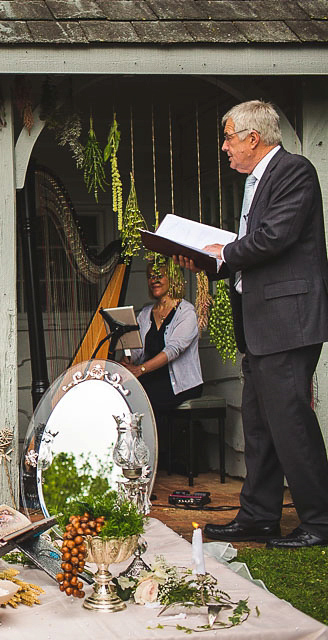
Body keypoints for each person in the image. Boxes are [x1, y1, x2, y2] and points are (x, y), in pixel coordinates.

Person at [177, 100, 328, 549]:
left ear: (252, 138)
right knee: (261, 427)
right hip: (262, 323)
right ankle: (260, 516)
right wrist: (208, 261)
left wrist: (223, 252)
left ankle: (320, 522)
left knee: (291, 423)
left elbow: (275, 237)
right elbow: (252, 250)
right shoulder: (256, 181)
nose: (225, 147)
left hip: (288, 320)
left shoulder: (293, 171)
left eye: (228, 138)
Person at [123, 262, 203, 466]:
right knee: (122, 395)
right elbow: (136, 350)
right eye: (150, 276)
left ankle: (145, 465)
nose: (154, 280)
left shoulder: (187, 312)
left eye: (160, 275)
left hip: (181, 383)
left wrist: (140, 370)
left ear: (173, 279)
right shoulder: (145, 313)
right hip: (151, 377)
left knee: (142, 400)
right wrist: (126, 361)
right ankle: (130, 461)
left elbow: (173, 350)